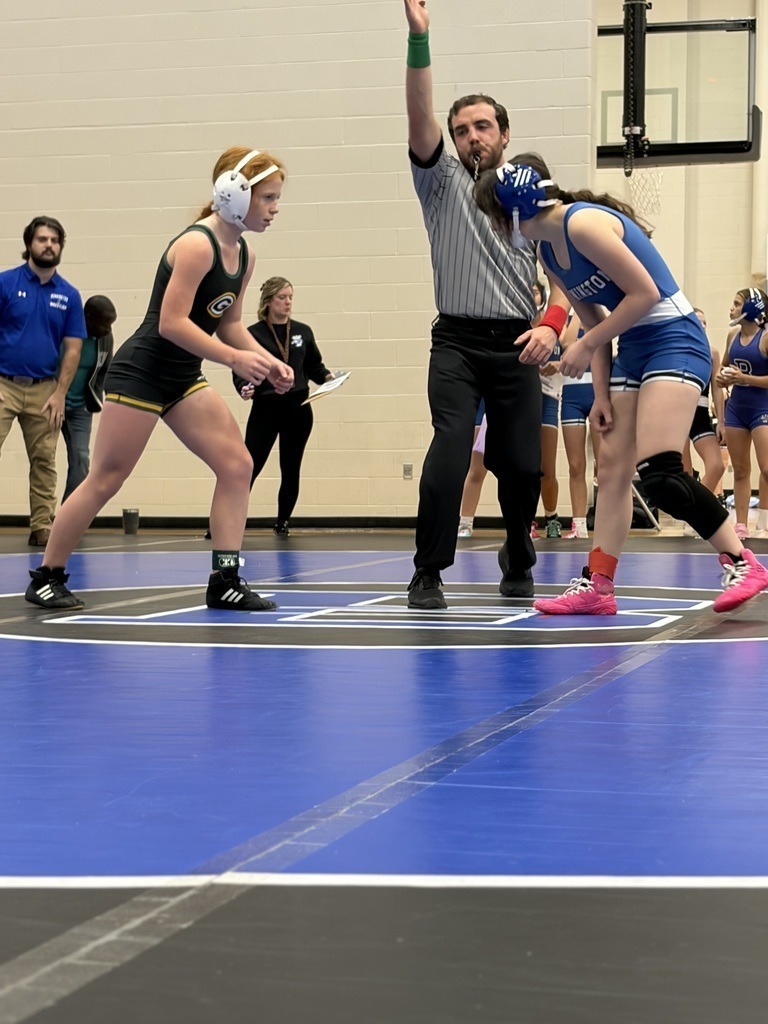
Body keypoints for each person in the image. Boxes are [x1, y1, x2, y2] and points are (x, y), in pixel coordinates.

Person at [473, 156, 768, 614]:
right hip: (631, 345)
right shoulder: (549, 253)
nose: (495, 231)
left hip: (673, 335)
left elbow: (645, 294)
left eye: (494, 220)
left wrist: (583, 345)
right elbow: (595, 318)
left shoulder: (583, 225)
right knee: (610, 470)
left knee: (662, 475)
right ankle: (599, 585)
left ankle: (744, 562)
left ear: (515, 212)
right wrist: (602, 394)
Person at [25, 146, 294, 612]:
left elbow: (226, 323)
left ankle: (225, 579)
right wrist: (234, 360)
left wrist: (267, 359)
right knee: (107, 478)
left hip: (181, 376)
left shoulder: (243, 253)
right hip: (142, 374)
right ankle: (48, 575)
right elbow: (172, 323)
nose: (275, 209)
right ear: (235, 193)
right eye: (268, 198)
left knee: (237, 465)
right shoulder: (195, 245)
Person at [402, 0, 570, 610]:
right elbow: (420, 116)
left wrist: (552, 329)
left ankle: (518, 556)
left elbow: (563, 281)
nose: (472, 136)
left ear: (503, 134)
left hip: (518, 345)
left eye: (482, 127)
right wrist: (420, 40)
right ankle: (428, 570)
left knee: (523, 467)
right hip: (455, 342)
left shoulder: (535, 198)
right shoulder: (441, 180)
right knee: (450, 448)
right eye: (462, 130)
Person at [0, 216, 86, 547]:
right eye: (42, 239)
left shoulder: (69, 294)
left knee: (45, 461)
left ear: (60, 246)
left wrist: (61, 393)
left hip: (45, 390)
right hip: (4, 386)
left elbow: (74, 348)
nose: (48, 245)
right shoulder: (6, 284)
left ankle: (41, 526)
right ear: (29, 245)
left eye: (54, 240)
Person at [234, 276, 337, 537]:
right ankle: (228, 520)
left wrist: (328, 378)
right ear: (269, 301)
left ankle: (282, 522)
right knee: (249, 466)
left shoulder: (303, 331)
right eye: (282, 297)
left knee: (291, 466)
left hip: (298, 407)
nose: (288, 302)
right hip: (266, 408)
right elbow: (241, 368)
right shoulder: (252, 334)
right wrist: (244, 387)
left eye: (291, 296)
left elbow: (313, 365)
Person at [716, 287, 768, 539]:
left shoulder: (766, 338)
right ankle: (741, 523)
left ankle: (766, 519)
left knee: (767, 468)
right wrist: (721, 377)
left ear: (751, 308)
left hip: (762, 407)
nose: (731, 308)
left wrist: (743, 377)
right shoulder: (732, 335)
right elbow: (725, 368)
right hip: (737, 407)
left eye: (736, 304)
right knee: (740, 469)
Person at [61, 295, 117, 501]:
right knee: (44, 461)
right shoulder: (64, 331)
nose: (108, 329)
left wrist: (106, 400)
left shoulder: (105, 339)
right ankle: (42, 522)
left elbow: (105, 371)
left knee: (81, 460)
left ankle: (66, 518)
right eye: (104, 323)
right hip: (51, 403)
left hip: (80, 408)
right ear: (88, 317)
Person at [559, 314, 599, 539]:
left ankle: (604, 523)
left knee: (603, 467)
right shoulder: (569, 321)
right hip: (572, 398)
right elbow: (566, 344)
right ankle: (579, 524)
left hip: (597, 394)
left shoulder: (600, 314)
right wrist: (575, 309)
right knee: (575, 465)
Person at [680, 307, 725, 502]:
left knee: (717, 465)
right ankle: (688, 513)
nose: (703, 326)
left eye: (705, 322)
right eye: (698, 322)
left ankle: (698, 507)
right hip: (678, 414)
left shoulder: (712, 353)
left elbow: (717, 389)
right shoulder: (678, 349)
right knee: (684, 471)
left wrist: (721, 422)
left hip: (700, 413)